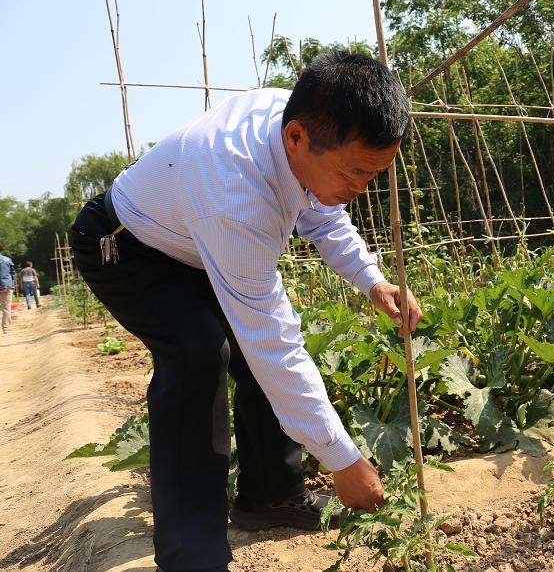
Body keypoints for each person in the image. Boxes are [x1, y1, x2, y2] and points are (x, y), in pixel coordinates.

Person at [69, 50, 421, 572]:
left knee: (253, 351)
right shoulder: (236, 193)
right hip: (125, 247)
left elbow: (323, 207)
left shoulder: (303, 124)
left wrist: (371, 279)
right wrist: (342, 459)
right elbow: (271, 340)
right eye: (357, 172)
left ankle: (270, 496)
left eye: (374, 174)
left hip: (191, 240)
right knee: (198, 355)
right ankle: (194, 555)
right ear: (296, 139)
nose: (361, 187)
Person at [0, 243, 14, 334]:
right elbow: (13, 273)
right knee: (6, 308)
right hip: (6, 286)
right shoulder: (7, 260)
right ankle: (5, 328)